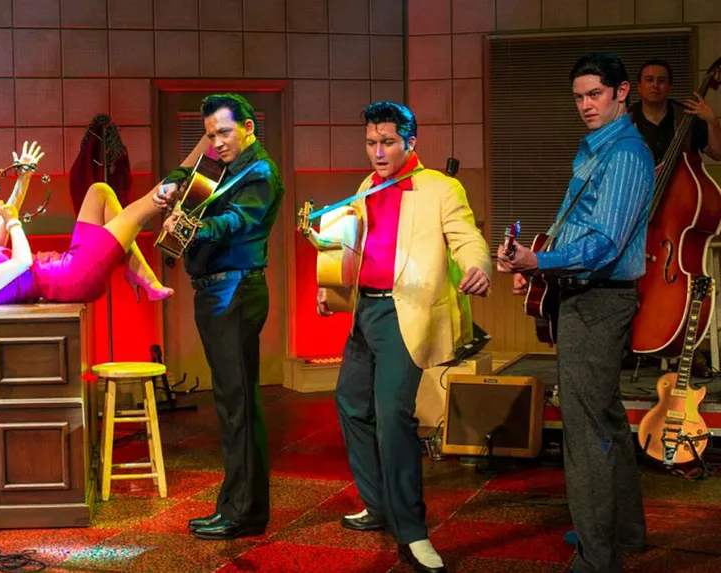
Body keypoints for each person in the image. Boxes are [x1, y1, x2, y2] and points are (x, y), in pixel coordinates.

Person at [302, 101, 490, 573]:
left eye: (387, 142)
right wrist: (332, 290)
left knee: (392, 417)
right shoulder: (367, 185)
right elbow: (354, 244)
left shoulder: (440, 189)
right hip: (365, 310)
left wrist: (478, 267)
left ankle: (413, 531)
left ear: (411, 141)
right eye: (371, 143)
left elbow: (466, 236)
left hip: (405, 314)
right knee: (350, 404)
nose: (378, 152)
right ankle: (379, 505)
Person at [498, 53, 654, 573]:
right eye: (579, 97)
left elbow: (604, 246)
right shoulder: (599, 148)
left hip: (600, 300)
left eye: (595, 95)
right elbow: (577, 226)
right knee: (605, 417)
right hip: (582, 297)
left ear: (622, 92)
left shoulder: (627, 155)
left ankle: (596, 557)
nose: (585, 105)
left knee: (586, 432)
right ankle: (623, 531)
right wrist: (537, 267)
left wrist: (539, 259)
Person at [153, 93, 284, 541]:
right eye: (210, 134)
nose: (218, 141)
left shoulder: (260, 172)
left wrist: (190, 227)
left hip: (236, 290)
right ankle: (233, 506)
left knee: (239, 406)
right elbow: (185, 174)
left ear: (249, 127)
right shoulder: (217, 165)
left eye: (225, 132)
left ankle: (245, 514)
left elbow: (237, 222)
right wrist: (170, 186)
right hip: (214, 291)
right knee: (230, 406)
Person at [0, 141, 180, 325]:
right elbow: (22, 261)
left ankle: (138, 271)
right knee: (147, 204)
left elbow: (7, 211)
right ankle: (187, 177)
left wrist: (23, 176)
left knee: (100, 192)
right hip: (72, 277)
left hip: (66, 267)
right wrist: (15, 224)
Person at [627, 58, 721, 163]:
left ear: (669, 86)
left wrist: (713, 123)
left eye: (661, 80)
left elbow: (718, 155)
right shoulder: (625, 120)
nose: (655, 85)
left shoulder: (688, 116)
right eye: (649, 80)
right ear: (639, 86)